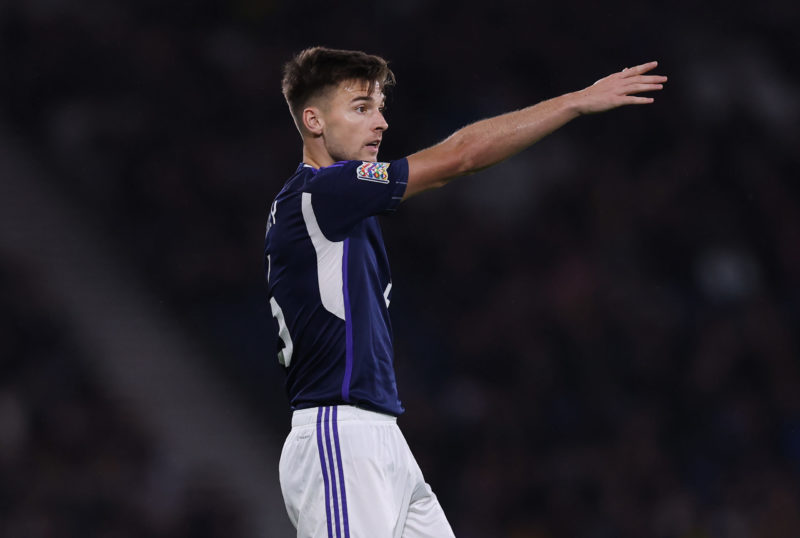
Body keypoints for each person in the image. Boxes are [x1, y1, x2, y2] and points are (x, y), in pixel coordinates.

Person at [264, 46, 666, 538]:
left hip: (378, 437)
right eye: (362, 108)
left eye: (381, 107)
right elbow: (461, 156)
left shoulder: (337, 206)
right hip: (339, 437)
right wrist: (575, 102)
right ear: (314, 120)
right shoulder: (322, 193)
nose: (381, 123)